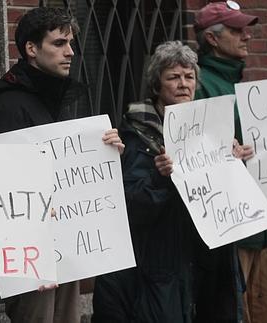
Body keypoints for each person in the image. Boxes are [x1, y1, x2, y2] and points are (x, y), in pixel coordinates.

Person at [0, 7, 124, 323]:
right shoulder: (7, 104)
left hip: (65, 248)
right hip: (30, 258)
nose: (70, 52)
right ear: (31, 49)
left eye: (71, 43)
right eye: (59, 43)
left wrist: (106, 150)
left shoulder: (55, 97)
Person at [91, 40, 202, 323]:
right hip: (154, 267)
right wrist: (161, 177)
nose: (183, 84)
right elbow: (132, 203)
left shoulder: (209, 132)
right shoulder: (136, 138)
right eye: (173, 77)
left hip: (197, 264)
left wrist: (236, 160)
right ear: (156, 85)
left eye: (189, 77)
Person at [193, 2, 267, 322]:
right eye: (236, 30)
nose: (247, 36)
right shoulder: (200, 87)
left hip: (265, 226)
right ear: (212, 39)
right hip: (234, 231)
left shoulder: (241, 85)